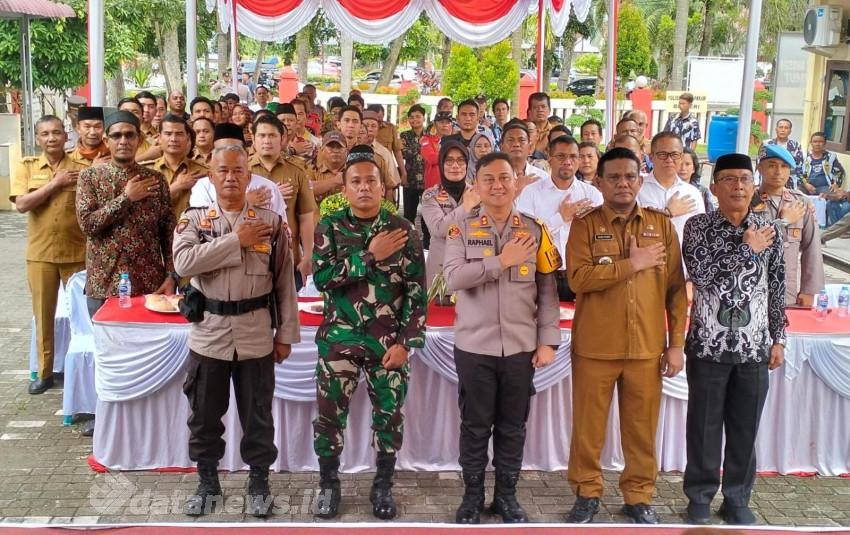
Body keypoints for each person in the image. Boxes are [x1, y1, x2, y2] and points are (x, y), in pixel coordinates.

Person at [173, 143, 300, 518]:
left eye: (238, 171)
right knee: (204, 415)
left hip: (256, 334)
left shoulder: (271, 222)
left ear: (249, 176)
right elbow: (182, 263)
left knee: (258, 415)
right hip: (209, 335)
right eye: (223, 171)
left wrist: (285, 335)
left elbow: (284, 283)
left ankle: (258, 483)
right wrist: (235, 241)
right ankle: (207, 483)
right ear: (211, 177)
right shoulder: (195, 220)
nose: (230, 177)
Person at [565, 148, 687, 525]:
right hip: (595, 348)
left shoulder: (660, 225)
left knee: (641, 429)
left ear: (640, 180)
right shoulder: (584, 225)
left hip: (646, 348)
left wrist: (677, 344)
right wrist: (630, 264)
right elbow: (578, 279)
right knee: (588, 430)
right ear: (598, 182)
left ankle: (638, 496)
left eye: (630, 177)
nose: (622, 183)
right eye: (614, 177)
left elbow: (676, 290)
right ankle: (587, 493)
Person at [444, 152, 561, 524]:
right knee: (475, 426)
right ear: (476, 185)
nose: (497, 185)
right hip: (474, 348)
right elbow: (453, 278)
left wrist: (548, 341)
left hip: (520, 348)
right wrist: (501, 261)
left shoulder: (535, 228)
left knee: (513, 426)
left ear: (517, 182)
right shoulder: (459, 227)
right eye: (489, 179)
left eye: (504, 178)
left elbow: (547, 292)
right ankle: (472, 497)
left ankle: (507, 497)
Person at [311, 145, 426, 520]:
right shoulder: (329, 227)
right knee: (329, 417)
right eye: (356, 182)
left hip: (387, 344)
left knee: (389, 417)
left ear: (384, 187)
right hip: (339, 342)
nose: (364, 188)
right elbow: (323, 279)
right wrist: (369, 255)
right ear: (344, 189)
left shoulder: (404, 230)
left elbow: (415, 292)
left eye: (371, 181)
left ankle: (383, 486)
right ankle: (328, 484)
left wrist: (407, 344)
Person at [681, 153, 786, 526]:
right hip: (709, 344)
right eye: (728, 179)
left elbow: (776, 288)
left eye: (744, 179)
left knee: (745, 428)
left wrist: (779, 338)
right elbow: (704, 277)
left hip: (754, 347)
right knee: (704, 426)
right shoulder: (698, 226)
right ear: (714, 187)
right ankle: (699, 495)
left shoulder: (771, 229)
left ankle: (738, 497)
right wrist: (745, 248)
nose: (738, 186)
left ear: (754, 185)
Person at [13, 115, 88, 395]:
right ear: (37, 138)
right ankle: (45, 373)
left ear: (66, 136)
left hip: (77, 253)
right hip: (41, 253)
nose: (52, 138)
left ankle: (80, 372)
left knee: (82, 317)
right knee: (43, 316)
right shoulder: (27, 167)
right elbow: (22, 204)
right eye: (45, 134)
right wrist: (55, 184)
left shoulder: (81, 168)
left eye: (57, 133)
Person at [77, 110, 177, 315]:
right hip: (104, 283)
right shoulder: (90, 177)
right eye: (116, 135)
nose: (123, 141)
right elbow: (88, 225)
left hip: (149, 283)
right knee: (106, 347)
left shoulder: (156, 180)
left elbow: (168, 232)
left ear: (139, 139)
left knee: (147, 346)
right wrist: (126, 198)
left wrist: (171, 275)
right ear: (106, 140)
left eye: (129, 135)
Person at [517, 136, 603, 302]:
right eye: (561, 156)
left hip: (582, 273)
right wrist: (560, 218)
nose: (567, 162)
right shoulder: (531, 192)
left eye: (573, 156)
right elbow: (526, 237)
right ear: (549, 158)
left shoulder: (592, 195)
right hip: (542, 275)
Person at [751, 144, 824, 306]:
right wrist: (785, 221)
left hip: (787, 290)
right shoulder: (748, 200)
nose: (778, 172)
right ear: (759, 168)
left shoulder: (801, 202)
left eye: (784, 166)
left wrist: (809, 290)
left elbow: (812, 247)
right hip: (752, 287)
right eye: (772, 165)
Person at [249, 115, 317, 287]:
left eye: (272, 136)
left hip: (288, 255)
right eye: (262, 136)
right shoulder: (243, 171)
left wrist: (308, 256)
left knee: (288, 310)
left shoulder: (296, 171)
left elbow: (306, 218)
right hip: (249, 258)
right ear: (253, 138)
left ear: (282, 139)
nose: (267, 141)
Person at [190, 123, 286, 219]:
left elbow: (282, 229)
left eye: (234, 149)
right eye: (222, 150)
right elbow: (203, 227)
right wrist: (243, 204)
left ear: (246, 154)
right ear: (213, 155)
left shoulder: (268, 187)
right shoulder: (202, 187)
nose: (228, 154)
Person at [421, 141, 478, 288]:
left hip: (470, 271)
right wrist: (466, 206)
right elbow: (438, 228)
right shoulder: (430, 195)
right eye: (449, 161)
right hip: (439, 273)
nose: (455, 166)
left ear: (467, 165)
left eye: (460, 160)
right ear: (441, 164)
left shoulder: (477, 194)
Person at [638, 132, 705, 251]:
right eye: (662, 154)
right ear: (651, 156)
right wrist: (668, 212)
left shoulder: (693, 193)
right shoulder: (638, 189)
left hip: (682, 264)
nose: (669, 159)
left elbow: (700, 236)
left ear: (681, 156)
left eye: (674, 154)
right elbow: (633, 229)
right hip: (647, 263)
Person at [142, 114, 209, 219]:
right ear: (159, 138)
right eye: (168, 134)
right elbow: (144, 209)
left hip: (193, 233)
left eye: (179, 134)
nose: (173, 139)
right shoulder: (146, 171)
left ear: (187, 138)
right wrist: (177, 186)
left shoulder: (203, 171)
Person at [802, 131, 848, 225]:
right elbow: (803, 173)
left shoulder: (830, 157)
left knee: (833, 197)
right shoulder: (806, 157)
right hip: (809, 186)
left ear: (824, 143)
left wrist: (836, 184)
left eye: (820, 142)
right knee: (798, 194)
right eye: (815, 141)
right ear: (811, 143)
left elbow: (840, 172)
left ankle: (825, 222)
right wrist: (806, 184)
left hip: (825, 186)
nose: (817, 144)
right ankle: (804, 221)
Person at [500, 120, 549, 198]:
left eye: (521, 140)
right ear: (501, 148)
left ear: (529, 147)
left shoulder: (542, 178)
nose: (516, 144)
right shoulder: (494, 178)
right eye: (510, 140)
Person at [361, 110, 401, 200]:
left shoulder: (384, 153)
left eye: (373, 126)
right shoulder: (350, 149)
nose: (370, 129)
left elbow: (391, 184)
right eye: (366, 125)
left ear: (378, 130)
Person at [400, 104, 428, 223]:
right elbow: (405, 154)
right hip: (410, 179)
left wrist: (417, 146)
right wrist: (422, 145)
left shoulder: (431, 135)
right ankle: (409, 240)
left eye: (418, 116)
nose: (415, 119)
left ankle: (427, 241)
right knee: (408, 215)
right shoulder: (404, 135)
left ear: (424, 118)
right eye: (412, 117)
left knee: (428, 215)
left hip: (428, 180)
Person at [369, 104, 407, 187]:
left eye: (380, 120)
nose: (378, 124)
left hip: (387, 172)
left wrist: (403, 172)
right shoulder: (362, 131)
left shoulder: (390, 128)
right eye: (375, 120)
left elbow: (397, 151)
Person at [759, 119, 804, 189]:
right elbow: (759, 163)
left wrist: (799, 183)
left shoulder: (796, 145)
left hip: (789, 181)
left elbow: (799, 166)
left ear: (790, 131)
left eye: (786, 128)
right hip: (769, 179)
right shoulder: (766, 144)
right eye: (781, 127)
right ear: (776, 129)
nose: (783, 130)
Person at [308, 131, 348, 205]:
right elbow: (306, 189)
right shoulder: (312, 169)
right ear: (322, 150)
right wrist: (335, 181)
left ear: (346, 151)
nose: (335, 150)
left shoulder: (353, 171)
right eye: (331, 147)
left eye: (339, 147)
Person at [680, 148, 713, 213]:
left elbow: (710, 215)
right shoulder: (666, 189)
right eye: (680, 164)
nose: (683, 168)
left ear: (694, 168)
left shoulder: (703, 191)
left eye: (687, 164)